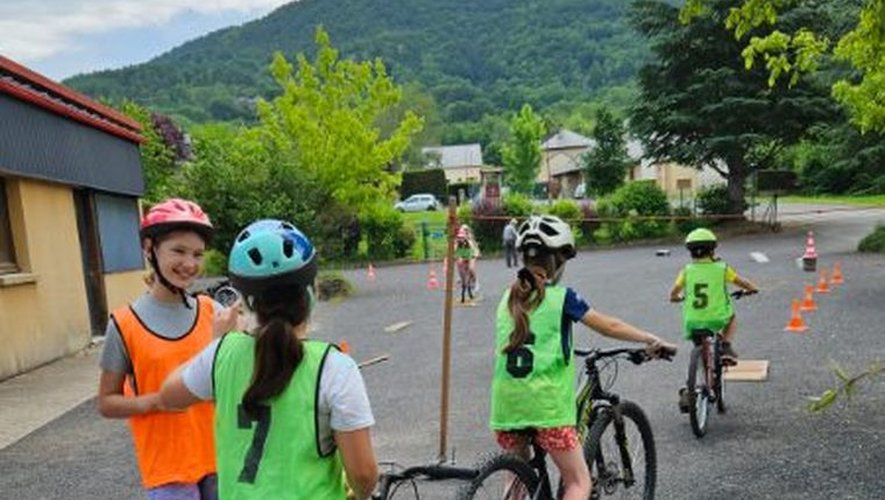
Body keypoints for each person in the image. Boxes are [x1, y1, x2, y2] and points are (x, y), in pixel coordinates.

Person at [160, 219, 378, 499]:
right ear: (311, 289)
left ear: (248, 302)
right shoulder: (334, 367)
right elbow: (363, 473)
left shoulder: (222, 353)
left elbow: (169, 396)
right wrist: (359, 494)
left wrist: (217, 343)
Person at [490, 215, 676, 500]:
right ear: (558, 262)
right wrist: (649, 339)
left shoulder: (508, 298)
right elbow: (608, 326)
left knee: (517, 482)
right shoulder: (563, 297)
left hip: (506, 406)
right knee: (578, 482)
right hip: (546, 409)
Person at [97, 198, 240, 499]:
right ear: (150, 249)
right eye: (178, 251)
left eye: (197, 254)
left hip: (221, 459)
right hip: (167, 472)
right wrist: (158, 402)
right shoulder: (124, 324)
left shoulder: (211, 311)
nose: (189, 264)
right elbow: (107, 403)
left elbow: (237, 379)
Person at [669, 228, 758, 410]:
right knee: (732, 317)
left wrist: (676, 298)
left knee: (699, 348)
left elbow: (673, 292)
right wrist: (752, 289)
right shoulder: (721, 268)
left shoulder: (686, 271)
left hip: (692, 321)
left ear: (691, 251)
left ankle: (692, 386)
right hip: (717, 318)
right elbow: (744, 283)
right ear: (712, 250)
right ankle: (725, 346)